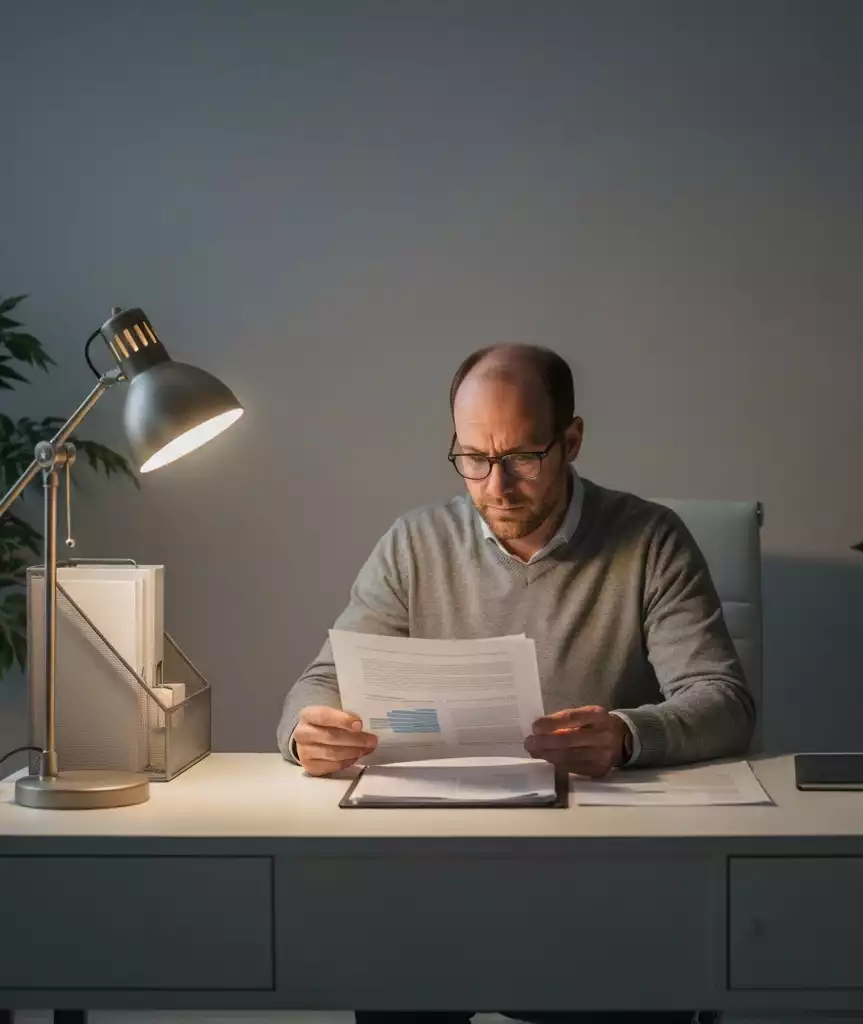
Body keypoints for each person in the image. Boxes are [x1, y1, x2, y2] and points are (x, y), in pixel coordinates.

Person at [277, 344, 755, 1024]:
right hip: (440, 865)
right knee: (387, 975)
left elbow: (724, 702)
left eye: (522, 458)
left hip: (601, 875)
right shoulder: (415, 543)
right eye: (472, 458)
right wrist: (306, 732)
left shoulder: (650, 540)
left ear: (572, 441)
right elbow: (320, 678)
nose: (494, 486)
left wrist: (625, 735)